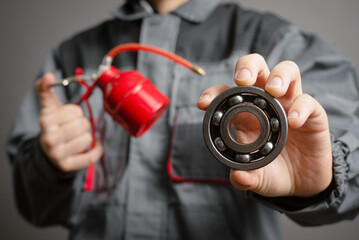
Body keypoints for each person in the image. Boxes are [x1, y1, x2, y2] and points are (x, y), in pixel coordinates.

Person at [6, 0, 359, 239]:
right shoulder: (73, 55)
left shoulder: (276, 42)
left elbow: (352, 168)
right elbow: (32, 206)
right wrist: (47, 163)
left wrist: (323, 177)